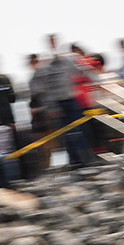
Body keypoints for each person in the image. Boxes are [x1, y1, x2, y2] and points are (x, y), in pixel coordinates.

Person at [42, 33, 92, 168]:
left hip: (71, 100)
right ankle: (75, 161)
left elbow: (83, 71)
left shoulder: (67, 60)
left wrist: (84, 83)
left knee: (78, 131)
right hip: (59, 103)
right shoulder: (47, 66)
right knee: (66, 134)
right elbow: (47, 88)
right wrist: (52, 108)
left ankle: (84, 161)